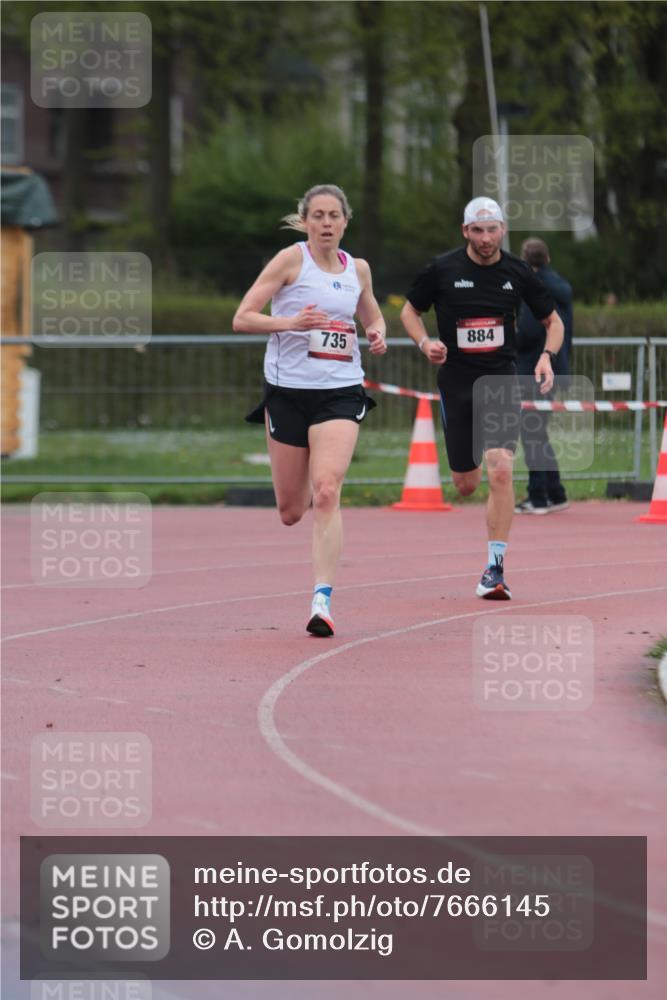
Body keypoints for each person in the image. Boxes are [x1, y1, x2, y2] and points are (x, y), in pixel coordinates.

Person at [233, 184, 387, 636]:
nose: (325, 223)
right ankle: (298, 506)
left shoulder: (357, 269)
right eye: (317, 215)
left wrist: (377, 333)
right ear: (305, 221)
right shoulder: (289, 261)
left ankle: (322, 600)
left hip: (340, 390)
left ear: (345, 221)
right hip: (288, 392)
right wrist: (290, 323)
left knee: (326, 489)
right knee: (291, 509)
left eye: (333, 215)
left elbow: (372, 315)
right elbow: (243, 316)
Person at [400, 197, 564, 600]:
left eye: (492, 230)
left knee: (502, 470)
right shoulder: (442, 269)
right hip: (456, 382)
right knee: (466, 485)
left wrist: (546, 357)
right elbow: (408, 311)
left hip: (500, 380)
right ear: (465, 231)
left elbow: (553, 322)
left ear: (503, 230)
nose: (486, 238)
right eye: (478, 230)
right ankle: (466, 466)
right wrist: (425, 343)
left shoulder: (519, 271)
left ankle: (495, 569)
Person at [515, 238, 573, 514]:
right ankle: (556, 492)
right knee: (538, 431)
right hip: (559, 366)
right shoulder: (561, 287)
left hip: (534, 369)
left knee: (531, 432)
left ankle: (538, 496)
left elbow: (526, 333)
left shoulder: (534, 291)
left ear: (526, 262)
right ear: (547, 259)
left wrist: (505, 344)